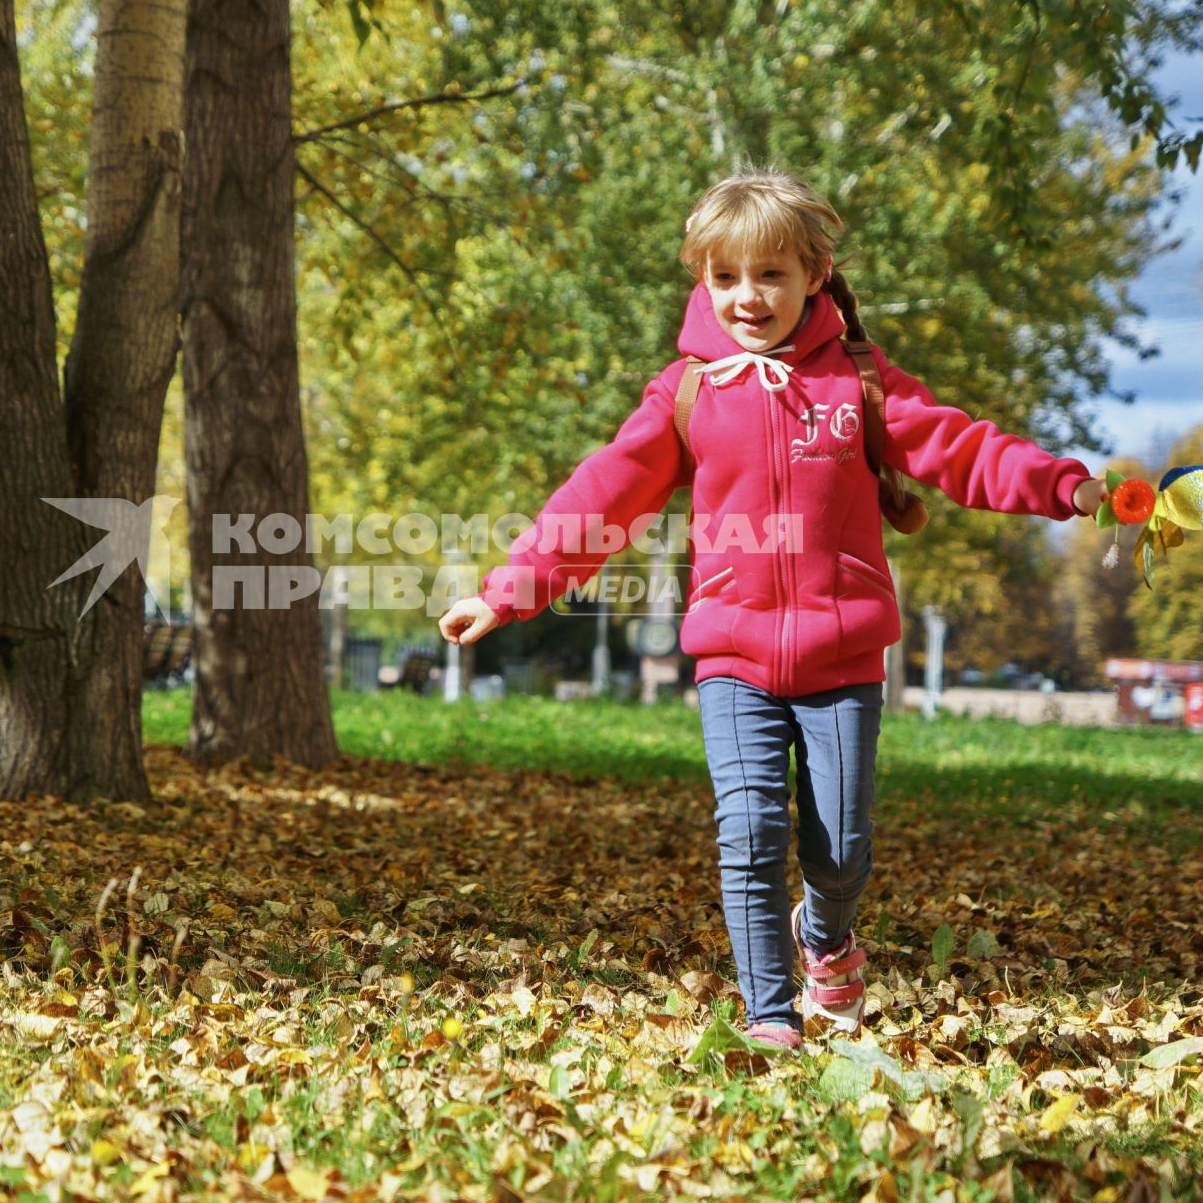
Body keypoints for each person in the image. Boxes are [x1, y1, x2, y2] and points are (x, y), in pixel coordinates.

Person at [438, 167, 1107, 1054]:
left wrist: (1070, 487)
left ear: (814, 276)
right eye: (725, 278)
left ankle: (825, 937)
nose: (746, 298)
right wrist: (506, 590)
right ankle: (770, 1018)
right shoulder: (686, 394)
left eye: (770, 276)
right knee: (749, 831)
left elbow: (962, 449)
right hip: (732, 655)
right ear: (702, 280)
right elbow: (599, 498)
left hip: (842, 660)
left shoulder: (859, 384)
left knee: (842, 852)